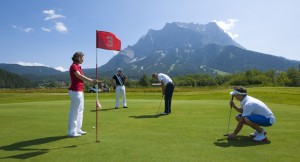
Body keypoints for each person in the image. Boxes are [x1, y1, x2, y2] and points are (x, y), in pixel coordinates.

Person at [68, 52, 97, 137]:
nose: (84, 59)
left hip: (80, 90)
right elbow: (79, 76)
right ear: (78, 57)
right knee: (75, 111)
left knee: (80, 110)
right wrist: (91, 80)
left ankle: (78, 129)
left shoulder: (78, 66)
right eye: (83, 57)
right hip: (75, 91)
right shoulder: (74, 66)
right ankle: (71, 131)